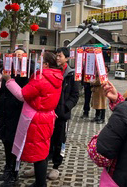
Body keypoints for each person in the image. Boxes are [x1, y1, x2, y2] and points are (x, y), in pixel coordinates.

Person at [3, 52, 63, 187]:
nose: (38, 64)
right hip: (47, 116)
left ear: (46, 64)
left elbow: (22, 95)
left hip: (36, 118)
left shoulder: (41, 78)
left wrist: (9, 80)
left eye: (40, 62)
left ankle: (41, 184)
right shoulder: (57, 76)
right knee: (42, 148)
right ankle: (40, 182)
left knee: (38, 151)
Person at [0, 48, 35, 187]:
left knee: (15, 143)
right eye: (15, 55)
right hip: (5, 111)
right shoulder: (8, 69)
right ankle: (7, 168)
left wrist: (10, 79)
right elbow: (2, 87)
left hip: (18, 112)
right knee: (6, 140)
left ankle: (14, 173)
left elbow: (24, 92)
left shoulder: (28, 71)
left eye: (21, 55)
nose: (17, 57)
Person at [45, 47, 80, 180]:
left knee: (59, 140)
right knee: (45, 139)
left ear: (67, 58)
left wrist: (65, 108)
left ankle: (56, 167)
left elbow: (75, 95)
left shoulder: (72, 74)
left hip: (61, 115)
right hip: (48, 112)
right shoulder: (51, 71)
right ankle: (41, 163)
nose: (57, 58)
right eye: (56, 56)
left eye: (59, 56)